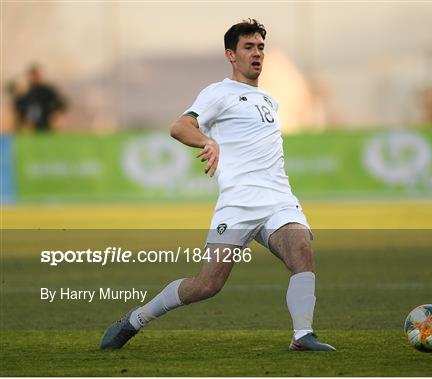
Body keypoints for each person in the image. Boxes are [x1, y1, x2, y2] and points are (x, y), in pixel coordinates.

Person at [100, 19, 335, 352]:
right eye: (248, 48)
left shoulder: (270, 100)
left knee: (302, 254)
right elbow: (180, 127)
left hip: (278, 199)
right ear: (231, 54)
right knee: (207, 285)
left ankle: (302, 335)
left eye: (261, 48)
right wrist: (207, 141)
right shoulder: (218, 93)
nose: (257, 54)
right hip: (238, 204)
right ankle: (134, 320)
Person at [23, 64, 67, 132]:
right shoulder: (29, 92)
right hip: (34, 126)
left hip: (47, 124)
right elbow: (25, 107)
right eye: (32, 75)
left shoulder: (47, 90)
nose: (34, 77)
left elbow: (62, 102)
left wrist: (56, 114)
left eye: (36, 74)